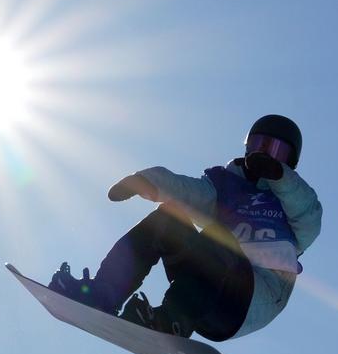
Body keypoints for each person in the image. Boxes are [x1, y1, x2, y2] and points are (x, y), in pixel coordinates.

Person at [48, 114, 322, 341]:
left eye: (276, 151)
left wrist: (280, 177)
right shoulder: (227, 185)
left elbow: (308, 216)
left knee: (221, 240)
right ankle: (102, 295)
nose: (264, 154)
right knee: (168, 218)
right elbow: (189, 192)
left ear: (290, 162)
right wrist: (146, 181)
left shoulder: (294, 205)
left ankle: (171, 320)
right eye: (259, 144)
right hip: (202, 288)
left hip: (246, 301)